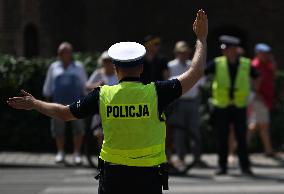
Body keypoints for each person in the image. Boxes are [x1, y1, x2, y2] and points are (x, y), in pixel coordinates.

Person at [7, 10, 208, 194]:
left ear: (115, 68)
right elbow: (196, 72)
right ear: (141, 69)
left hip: (114, 176)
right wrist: (201, 39)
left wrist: (35, 103)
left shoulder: (102, 95)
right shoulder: (157, 92)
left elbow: (64, 113)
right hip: (148, 176)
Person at [205, 35, 259, 176]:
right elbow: (202, 73)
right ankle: (222, 166)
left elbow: (257, 76)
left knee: (241, 137)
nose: (225, 52)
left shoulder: (246, 63)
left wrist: (253, 92)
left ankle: (245, 167)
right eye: (224, 49)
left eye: (228, 49)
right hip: (222, 106)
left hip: (239, 106)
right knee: (222, 137)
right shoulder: (217, 63)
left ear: (235, 50)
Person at [42, 42, 87, 165]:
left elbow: (84, 85)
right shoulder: (53, 67)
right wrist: (46, 105)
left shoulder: (79, 67)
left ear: (71, 53)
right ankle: (60, 152)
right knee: (58, 130)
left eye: (66, 52)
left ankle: (77, 154)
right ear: (59, 54)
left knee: (78, 129)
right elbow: (48, 86)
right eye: (62, 52)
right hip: (58, 104)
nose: (64, 54)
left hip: (77, 104)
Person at [167, 41, 207, 171]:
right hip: (178, 102)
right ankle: (180, 157)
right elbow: (168, 81)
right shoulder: (171, 66)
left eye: (185, 52)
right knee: (179, 131)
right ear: (176, 53)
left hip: (192, 101)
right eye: (181, 52)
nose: (183, 55)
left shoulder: (192, 64)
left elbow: (202, 80)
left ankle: (197, 157)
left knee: (194, 129)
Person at [248, 43, 276, 157]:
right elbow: (253, 85)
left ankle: (240, 148)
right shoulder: (255, 65)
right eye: (264, 53)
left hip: (265, 99)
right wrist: (259, 97)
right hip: (259, 100)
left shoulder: (267, 65)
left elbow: (272, 77)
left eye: (267, 53)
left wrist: (273, 65)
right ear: (258, 53)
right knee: (262, 125)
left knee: (256, 126)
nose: (266, 55)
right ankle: (268, 150)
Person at [86, 51, 118, 147]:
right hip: (100, 108)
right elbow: (87, 86)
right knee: (99, 133)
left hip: (115, 108)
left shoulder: (118, 74)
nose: (107, 63)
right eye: (105, 61)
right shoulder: (98, 73)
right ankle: (102, 154)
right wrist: (98, 85)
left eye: (109, 61)